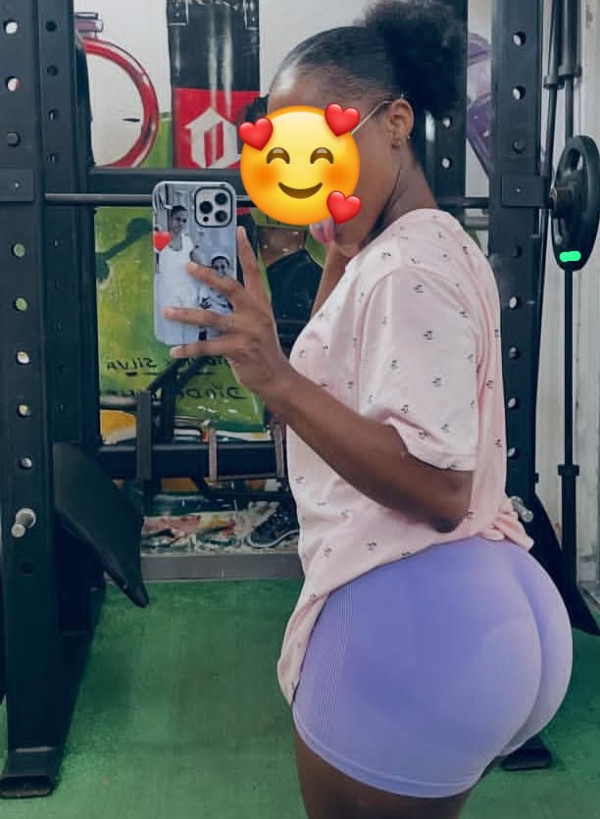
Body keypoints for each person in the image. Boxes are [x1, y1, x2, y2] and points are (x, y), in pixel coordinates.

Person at [164, 2, 574, 817]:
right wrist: (336, 253)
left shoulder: (402, 271)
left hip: (412, 625)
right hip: (478, 610)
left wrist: (275, 379)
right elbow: (334, 383)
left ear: (395, 122)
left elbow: (439, 488)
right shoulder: (427, 243)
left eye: (321, 143)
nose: (303, 170)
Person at [154, 205, 200, 345]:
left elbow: (197, 262)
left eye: (184, 221)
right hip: (168, 289)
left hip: (187, 288)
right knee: (172, 327)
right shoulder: (160, 239)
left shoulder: (187, 241)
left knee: (190, 328)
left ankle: (190, 352)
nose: (180, 223)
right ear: (170, 219)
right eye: (177, 219)